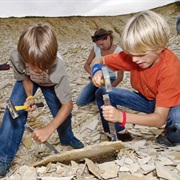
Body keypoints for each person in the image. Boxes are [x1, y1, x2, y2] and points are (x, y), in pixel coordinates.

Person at [0, 23, 84, 178]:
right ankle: (3, 158)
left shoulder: (58, 68)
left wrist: (48, 129)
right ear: (24, 57)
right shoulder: (16, 57)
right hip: (27, 82)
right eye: (33, 65)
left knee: (61, 114)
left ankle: (68, 138)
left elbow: (68, 105)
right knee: (12, 112)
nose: (38, 70)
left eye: (44, 66)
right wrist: (30, 96)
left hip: (50, 83)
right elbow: (25, 77)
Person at [91, 10, 180, 147]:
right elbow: (99, 59)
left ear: (160, 46)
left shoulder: (170, 70)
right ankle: (119, 133)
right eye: (131, 54)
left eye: (140, 54)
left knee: (177, 121)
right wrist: (97, 71)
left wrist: (122, 116)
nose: (134, 59)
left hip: (171, 106)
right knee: (103, 92)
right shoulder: (135, 56)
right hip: (147, 99)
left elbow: (159, 119)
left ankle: (170, 136)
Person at [76, 28, 124, 106]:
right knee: (80, 102)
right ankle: (97, 93)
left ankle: (102, 95)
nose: (100, 47)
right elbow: (86, 65)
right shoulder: (96, 48)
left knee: (101, 103)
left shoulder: (119, 52)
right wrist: (93, 75)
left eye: (102, 44)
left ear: (108, 38)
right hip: (97, 78)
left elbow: (120, 77)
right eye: (98, 45)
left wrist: (109, 89)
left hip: (109, 80)